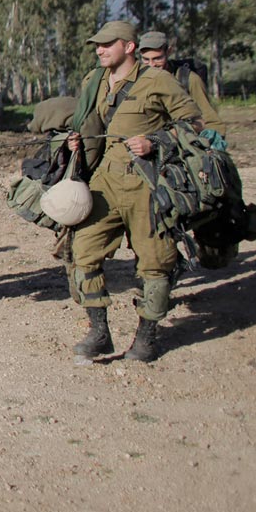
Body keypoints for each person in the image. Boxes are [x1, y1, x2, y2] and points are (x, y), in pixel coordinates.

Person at [65, 22, 202, 363]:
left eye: (107, 44)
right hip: (106, 178)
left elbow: (193, 123)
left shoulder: (157, 81)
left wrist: (155, 141)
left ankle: (146, 337)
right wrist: (77, 141)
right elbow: (91, 123)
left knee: (155, 263)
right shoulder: (95, 81)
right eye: (97, 45)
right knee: (83, 251)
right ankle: (99, 332)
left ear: (128, 46)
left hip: (147, 180)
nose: (99, 50)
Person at [137, 31, 225, 137]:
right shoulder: (136, 80)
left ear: (169, 52)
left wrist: (214, 142)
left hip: (180, 139)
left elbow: (210, 120)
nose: (152, 65)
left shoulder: (189, 79)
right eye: (146, 59)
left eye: (158, 58)